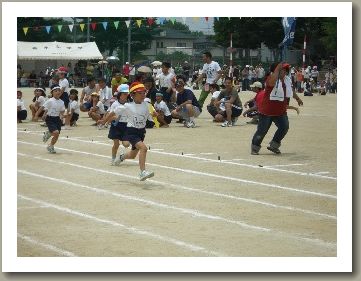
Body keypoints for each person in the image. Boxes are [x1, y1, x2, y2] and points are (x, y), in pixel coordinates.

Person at [114, 82, 155, 181]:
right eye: (140, 93)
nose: (143, 95)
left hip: (141, 132)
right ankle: (142, 172)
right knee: (143, 148)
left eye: (144, 93)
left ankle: (121, 157)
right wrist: (104, 120)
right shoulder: (128, 106)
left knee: (132, 155)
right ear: (132, 95)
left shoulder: (146, 105)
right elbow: (113, 112)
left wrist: (154, 115)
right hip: (131, 131)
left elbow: (149, 116)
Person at [250, 62, 293, 155]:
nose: (285, 72)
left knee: (284, 127)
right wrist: (277, 69)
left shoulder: (286, 81)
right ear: (276, 71)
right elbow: (272, 82)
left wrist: (297, 98)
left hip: (280, 111)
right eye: (282, 70)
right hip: (267, 111)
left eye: (286, 70)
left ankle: (274, 145)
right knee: (262, 131)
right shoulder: (271, 78)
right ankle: (255, 147)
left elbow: (290, 92)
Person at [42, 84, 66, 154]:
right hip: (50, 118)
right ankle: (49, 134)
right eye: (56, 91)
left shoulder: (62, 102)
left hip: (57, 119)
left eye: (59, 91)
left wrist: (62, 116)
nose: (58, 92)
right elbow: (44, 108)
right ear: (52, 93)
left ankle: (51, 145)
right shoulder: (50, 101)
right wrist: (39, 115)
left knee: (57, 134)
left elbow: (62, 111)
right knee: (56, 132)